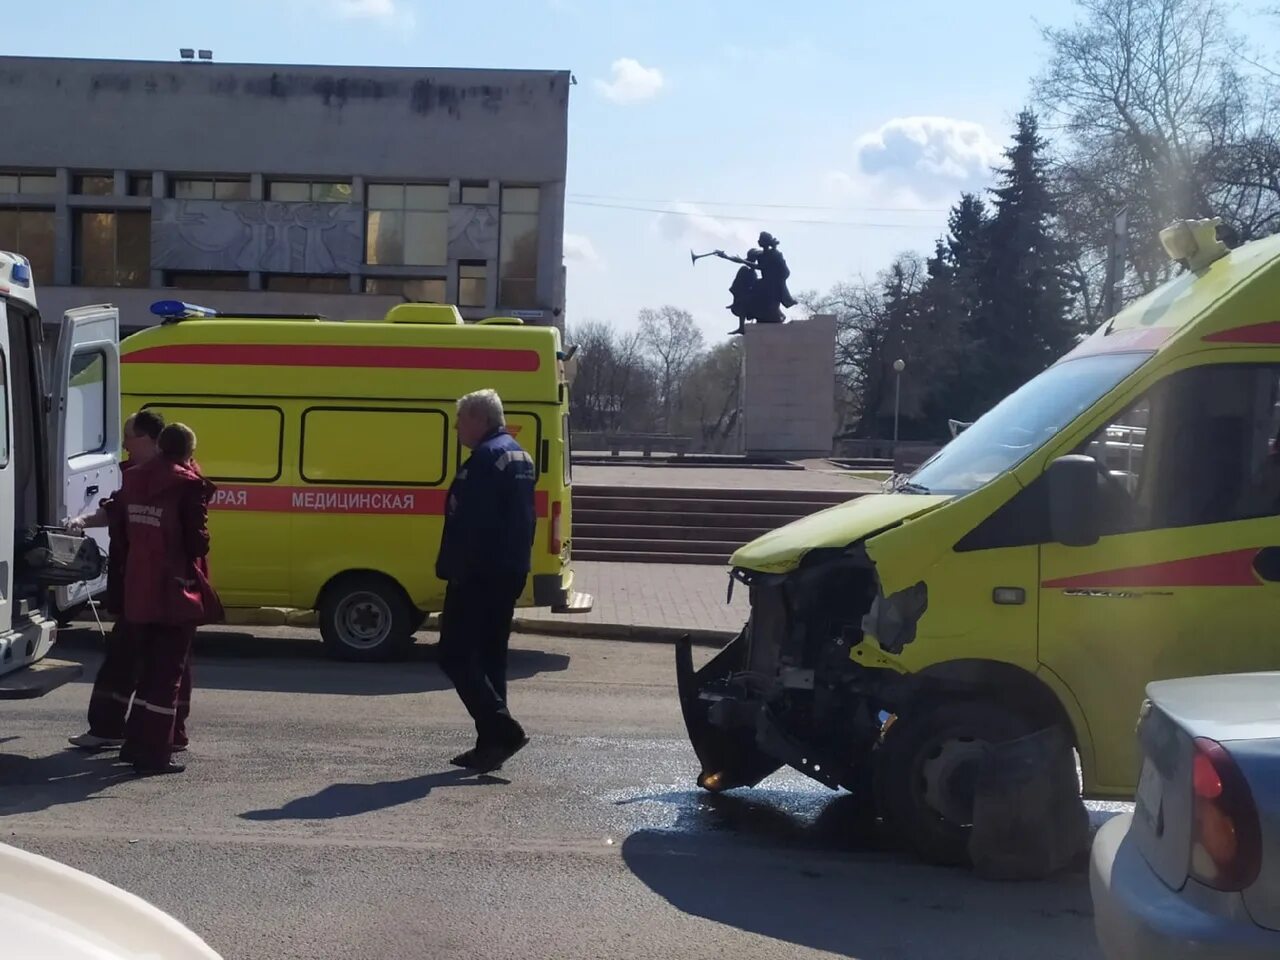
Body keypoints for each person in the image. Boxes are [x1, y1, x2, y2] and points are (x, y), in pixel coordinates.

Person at [65, 410, 199, 753]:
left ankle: (145, 735)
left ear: (152, 441)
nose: (123, 443)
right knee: (157, 666)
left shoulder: (174, 480)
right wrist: (82, 520)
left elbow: (193, 541)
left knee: (149, 664)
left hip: (158, 589)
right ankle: (151, 735)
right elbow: (117, 509)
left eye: (129, 436)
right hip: (154, 588)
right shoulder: (157, 476)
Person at [435, 389, 536, 774]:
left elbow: (470, 524)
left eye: (461, 418)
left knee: (454, 653)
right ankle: (490, 745)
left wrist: (458, 571)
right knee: (491, 657)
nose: (458, 426)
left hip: (479, 572)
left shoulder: (485, 459)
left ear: (479, 418)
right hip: (509, 569)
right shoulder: (518, 454)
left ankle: (502, 729)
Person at [116, 423, 220, 776]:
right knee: (168, 677)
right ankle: (155, 754)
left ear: (160, 445)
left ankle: (134, 742)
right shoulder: (186, 485)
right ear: (189, 452)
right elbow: (198, 543)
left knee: (147, 673)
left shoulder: (132, 477)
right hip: (174, 590)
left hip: (138, 587)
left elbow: (124, 529)